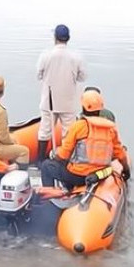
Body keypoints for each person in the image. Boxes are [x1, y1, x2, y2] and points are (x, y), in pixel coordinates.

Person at [41, 90, 131, 189]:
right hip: (100, 174)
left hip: (78, 176)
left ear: (83, 107)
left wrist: (54, 154)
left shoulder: (79, 126)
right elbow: (120, 154)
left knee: (46, 166)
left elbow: (64, 155)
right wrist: (126, 170)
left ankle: (49, 196)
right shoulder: (111, 129)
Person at [35, 24, 86, 163]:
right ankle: (66, 161)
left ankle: (40, 161)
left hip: (49, 101)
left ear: (55, 38)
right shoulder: (76, 57)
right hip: (68, 101)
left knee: (45, 130)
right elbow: (82, 77)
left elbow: (39, 74)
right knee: (68, 133)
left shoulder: (46, 55)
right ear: (68, 38)